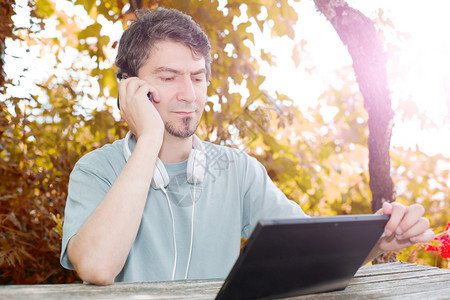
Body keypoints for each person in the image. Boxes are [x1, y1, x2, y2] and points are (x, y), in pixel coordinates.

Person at [60, 8, 434, 285]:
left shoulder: (238, 170)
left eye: (197, 77)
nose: (189, 94)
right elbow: (96, 267)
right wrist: (149, 142)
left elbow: (314, 254)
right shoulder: (96, 170)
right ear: (130, 86)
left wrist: (379, 241)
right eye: (169, 77)